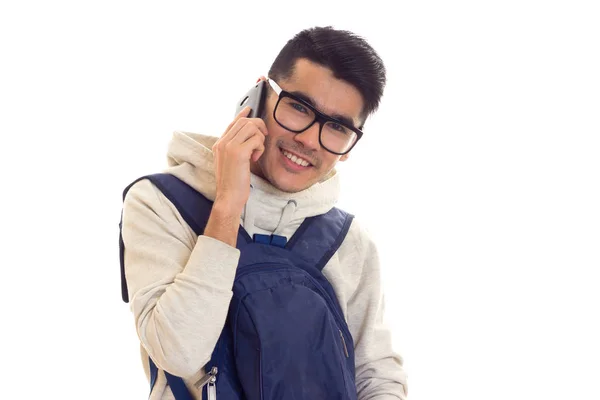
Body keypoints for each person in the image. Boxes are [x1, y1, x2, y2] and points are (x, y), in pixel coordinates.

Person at [121, 26, 408, 399]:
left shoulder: (350, 241)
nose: (308, 139)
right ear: (259, 96)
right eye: (299, 107)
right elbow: (178, 352)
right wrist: (227, 204)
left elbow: (376, 374)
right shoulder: (161, 203)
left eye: (336, 127)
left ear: (350, 145)